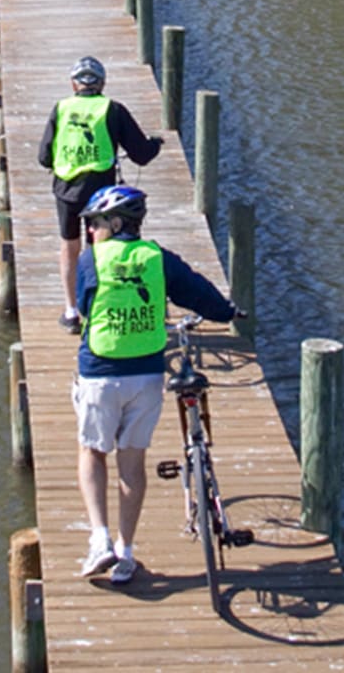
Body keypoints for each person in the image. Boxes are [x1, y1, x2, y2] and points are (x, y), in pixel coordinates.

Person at [73, 183, 241, 584]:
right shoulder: (157, 257)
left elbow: (83, 305)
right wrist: (227, 312)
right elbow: (196, 290)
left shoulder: (90, 259)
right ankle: (126, 553)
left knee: (92, 452)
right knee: (132, 463)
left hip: (100, 372)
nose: (91, 230)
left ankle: (100, 540)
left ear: (116, 224)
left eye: (96, 223)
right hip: (147, 375)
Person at [38, 56, 162, 333]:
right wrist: (156, 144)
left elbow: (43, 157)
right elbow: (141, 155)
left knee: (69, 246)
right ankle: (97, 307)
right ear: (102, 84)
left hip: (66, 190)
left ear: (74, 85)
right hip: (101, 193)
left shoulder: (60, 109)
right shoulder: (113, 109)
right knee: (100, 249)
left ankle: (71, 312)